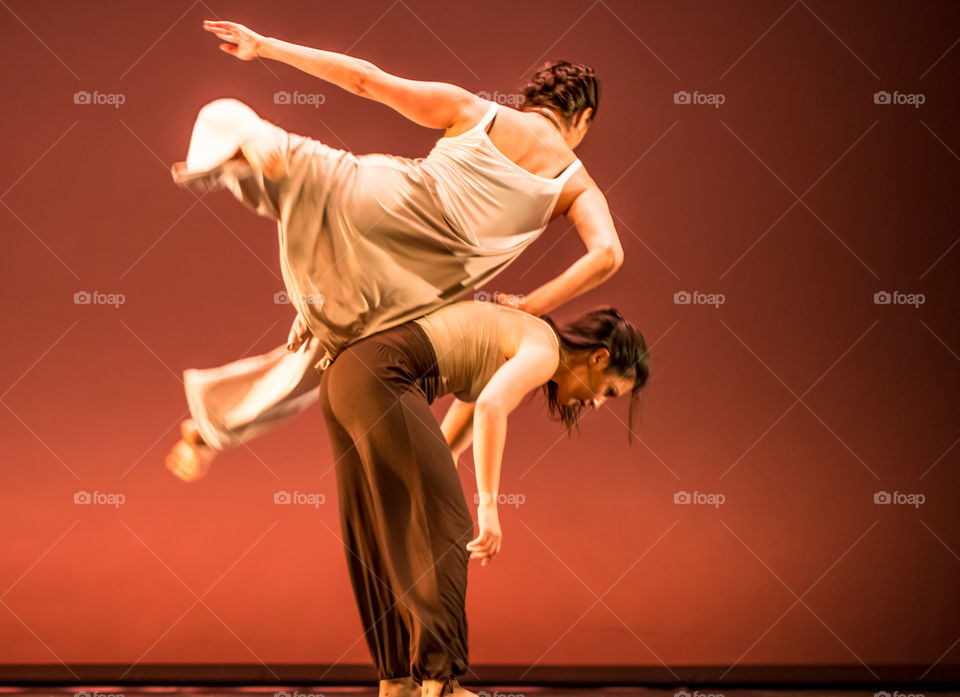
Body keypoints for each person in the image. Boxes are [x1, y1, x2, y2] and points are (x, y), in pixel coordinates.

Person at [166, 19, 625, 472]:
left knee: (275, 159)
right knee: (324, 358)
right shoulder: (576, 183)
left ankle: (249, 134)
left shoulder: (474, 109)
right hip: (409, 282)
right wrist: (531, 304)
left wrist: (265, 46)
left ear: (531, 101)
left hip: (377, 198)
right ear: (582, 119)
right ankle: (209, 432)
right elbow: (607, 254)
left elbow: (365, 79)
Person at [167, 299, 651, 697]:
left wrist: (433, 489)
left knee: (383, 529)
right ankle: (441, 681)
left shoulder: (517, 336)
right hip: (379, 380)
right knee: (447, 529)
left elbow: (447, 441)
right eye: (608, 392)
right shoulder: (543, 349)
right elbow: (490, 409)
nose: (595, 404)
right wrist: (487, 508)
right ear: (600, 357)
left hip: (345, 382)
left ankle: (396, 679)